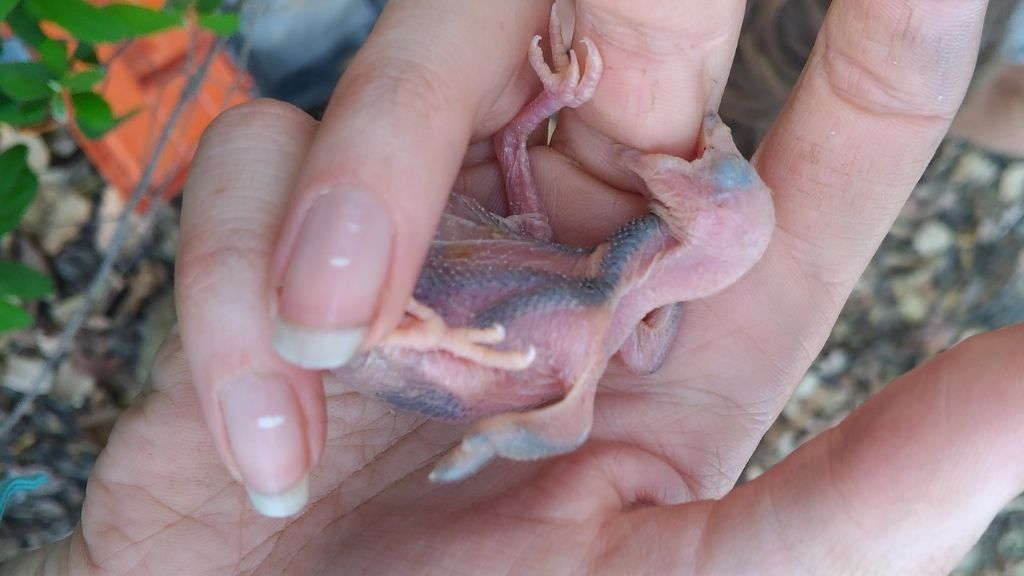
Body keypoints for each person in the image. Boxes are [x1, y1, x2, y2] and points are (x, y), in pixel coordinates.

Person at [5, 0, 1023, 573]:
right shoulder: (606, 307)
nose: (685, 158)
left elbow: (572, 386)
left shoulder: (608, 338)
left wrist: (473, 406)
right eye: (712, 154)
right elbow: (508, 146)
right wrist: (557, 96)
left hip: (422, 322)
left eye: (700, 168)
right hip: (444, 274)